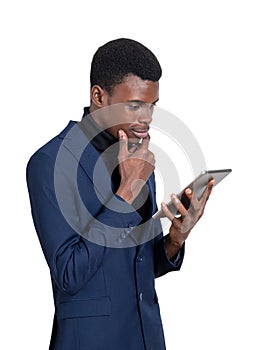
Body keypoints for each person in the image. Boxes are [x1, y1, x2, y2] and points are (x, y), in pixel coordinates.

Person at [26, 38, 214, 350]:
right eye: (135, 105)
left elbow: (138, 265)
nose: (147, 119)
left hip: (147, 339)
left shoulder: (137, 159)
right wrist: (125, 193)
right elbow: (69, 275)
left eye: (152, 106)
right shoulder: (49, 163)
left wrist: (176, 238)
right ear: (98, 96)